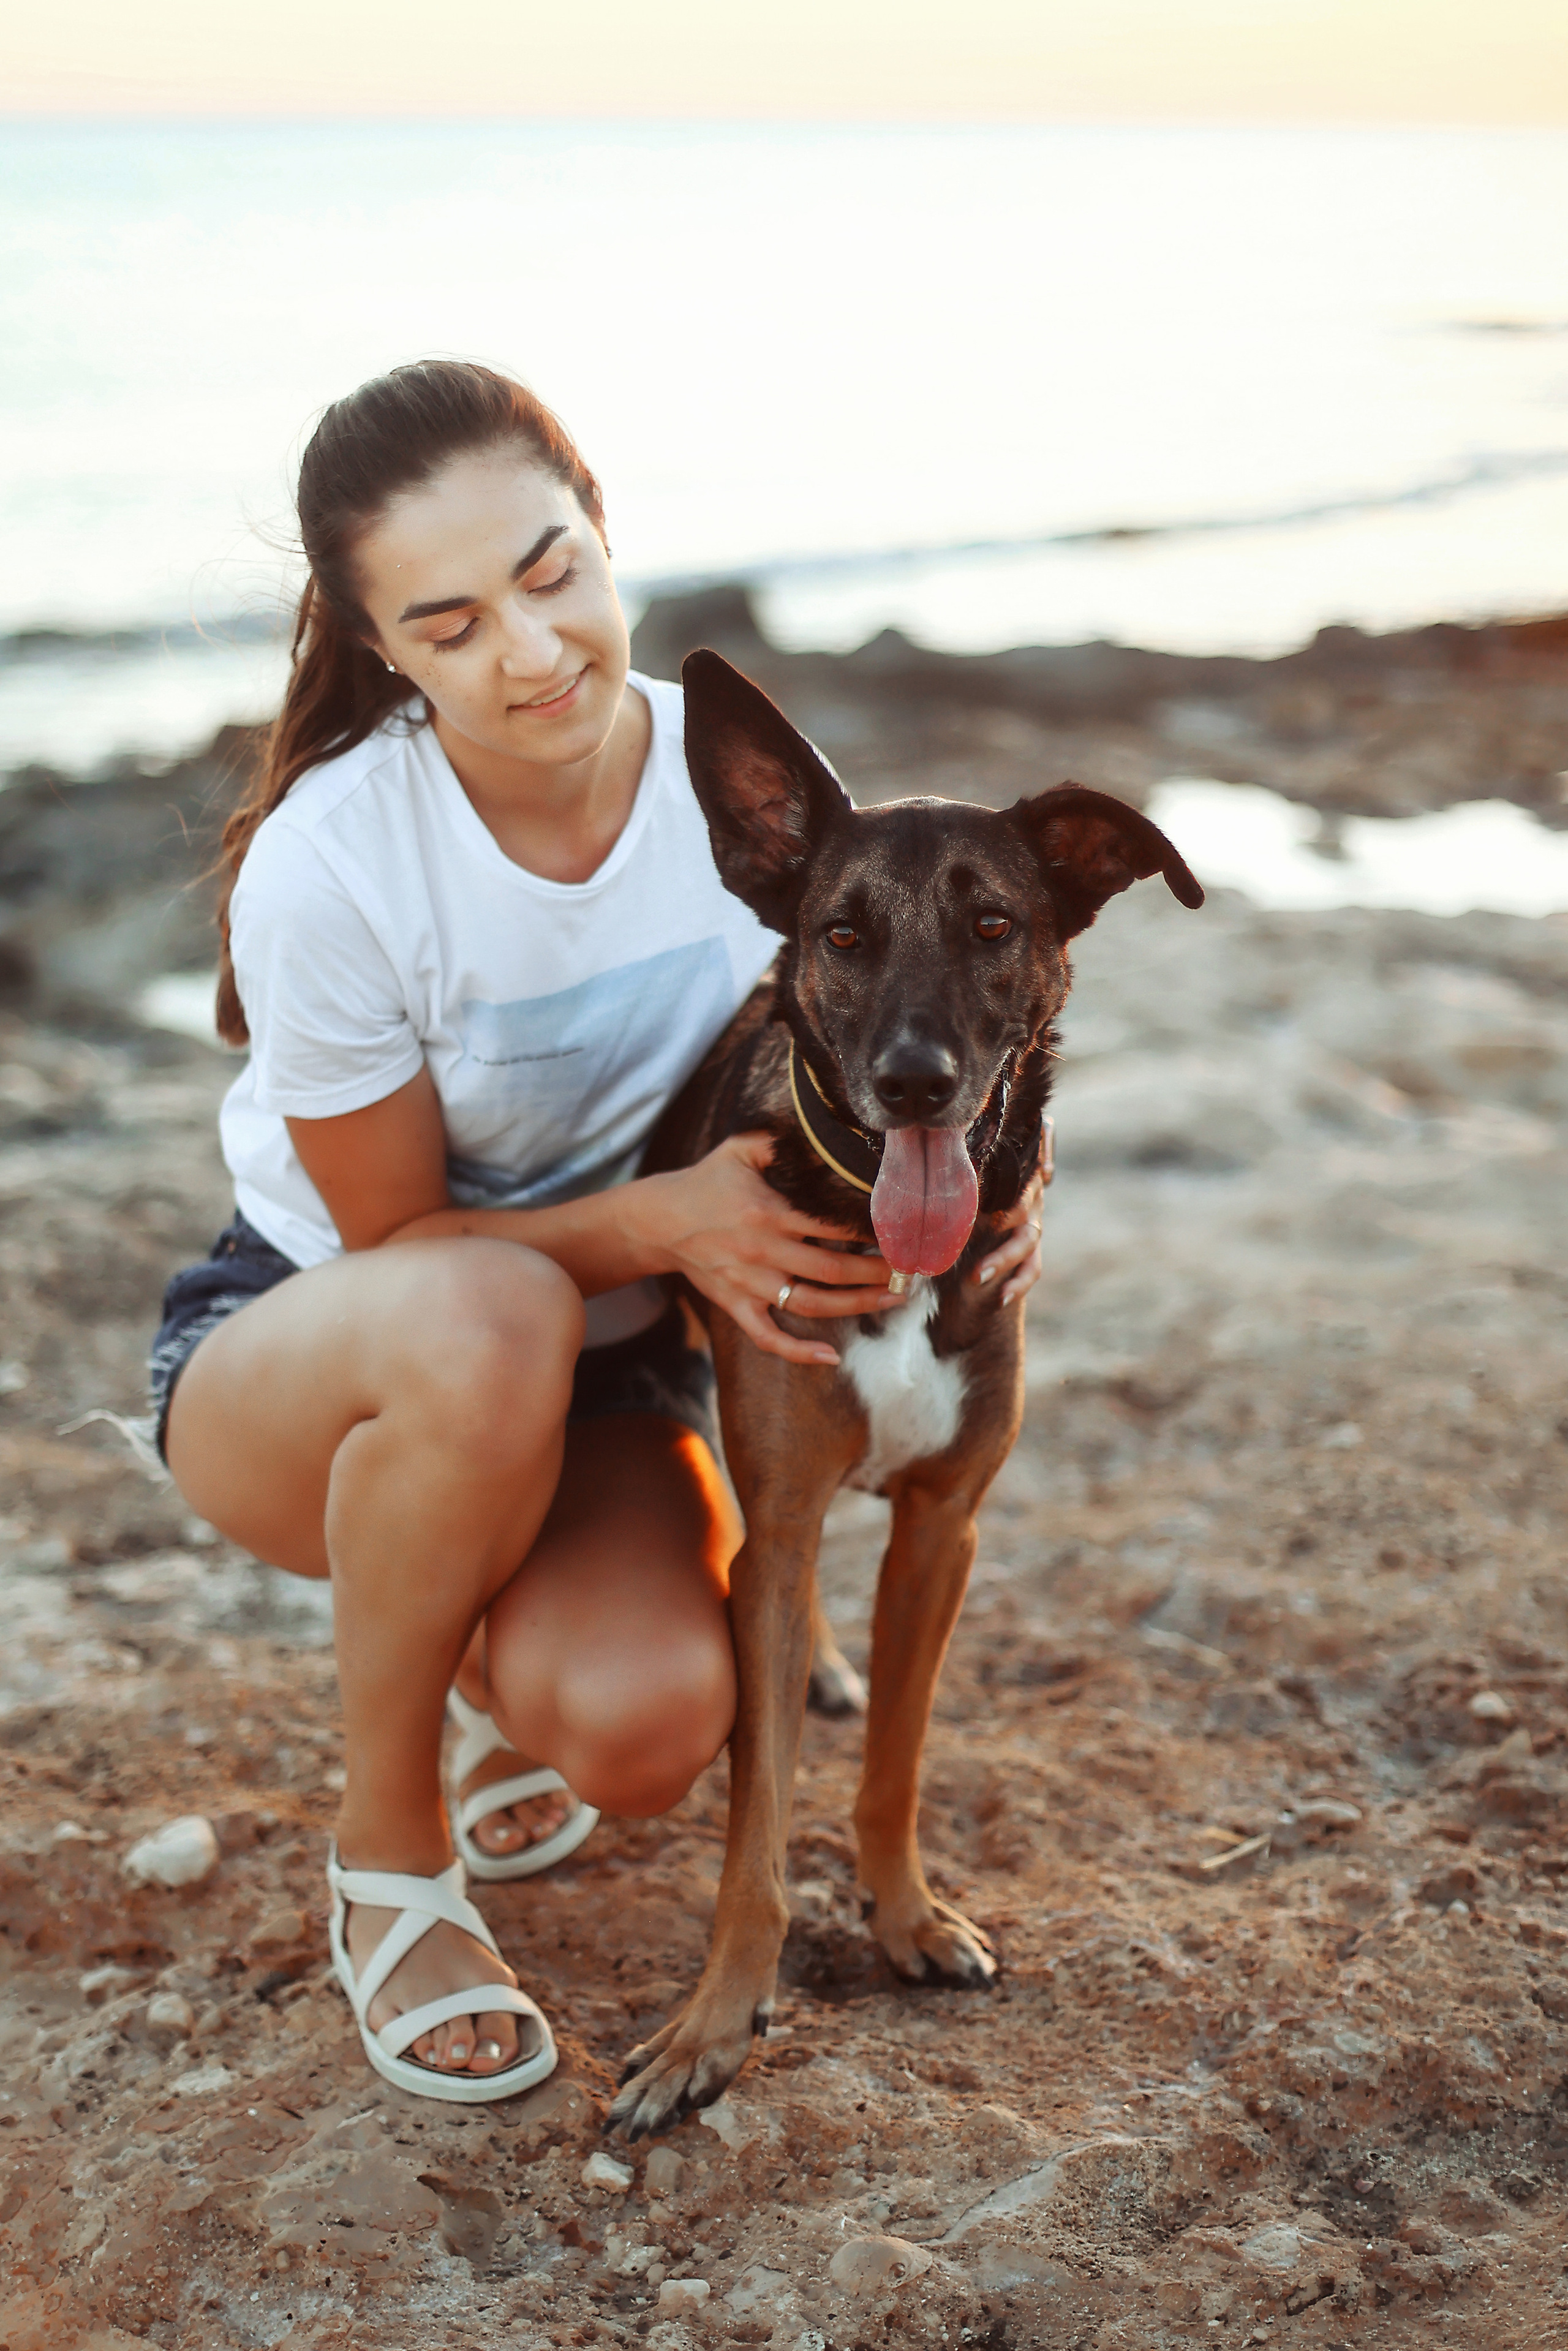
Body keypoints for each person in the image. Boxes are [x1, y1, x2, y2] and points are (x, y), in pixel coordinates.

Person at [150, 360, 1044, 2103]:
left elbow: (905, 1022)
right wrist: (668, 1220)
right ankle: (392, 1861)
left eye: (553, 572)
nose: (533, 649)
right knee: (484, 1320)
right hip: (329, 1347)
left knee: (640, 1728)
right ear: (380, 648)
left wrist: (998, 1179)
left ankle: (493, 1624)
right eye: (452, 620)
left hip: (618, 1363)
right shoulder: (333, 865)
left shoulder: (753, 803)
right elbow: (406, 1243)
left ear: (605, 529)